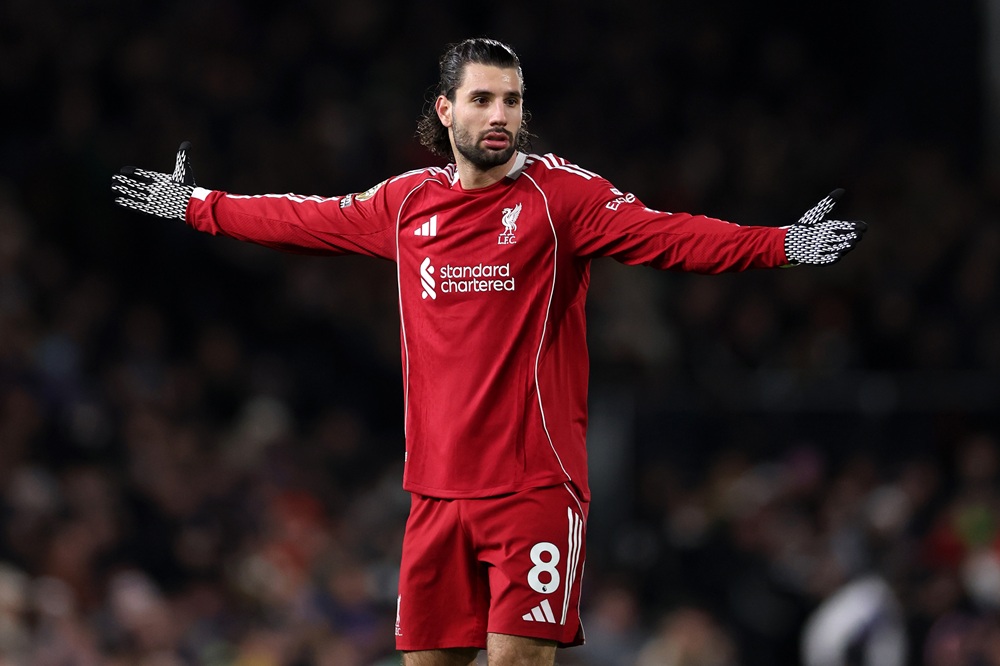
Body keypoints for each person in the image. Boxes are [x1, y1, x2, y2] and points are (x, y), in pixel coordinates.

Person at [111, 37, 867, 666]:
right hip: (436, 492)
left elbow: (667, 234)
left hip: (533, 483)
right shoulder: (406, 204)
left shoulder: (561, 197)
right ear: (446, 112)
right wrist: (196, 205)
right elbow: (304, 219)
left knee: (516, 662)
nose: (500, 115)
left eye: (511, 100)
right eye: (482, 100)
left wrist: (781, 246)